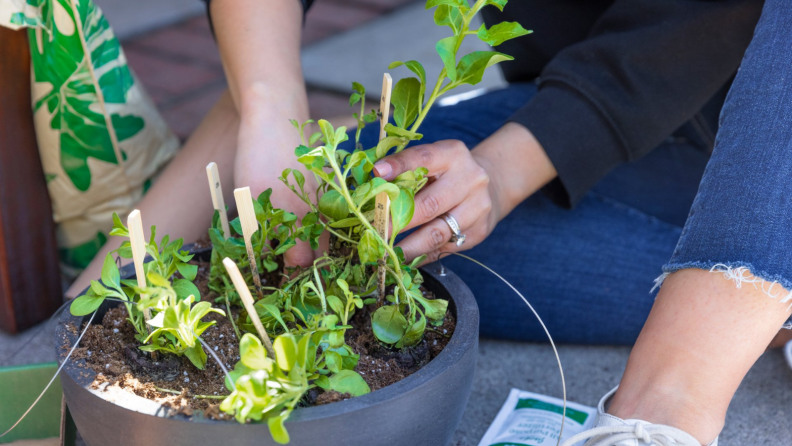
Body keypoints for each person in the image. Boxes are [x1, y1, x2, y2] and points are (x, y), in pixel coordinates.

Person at [69, 0, 792, 443]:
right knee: (349, 212)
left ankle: (662, 415)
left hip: (765, 121)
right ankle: (760, 290)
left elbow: (711, 14)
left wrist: (506, 172)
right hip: (623, 126)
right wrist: (271, 109)